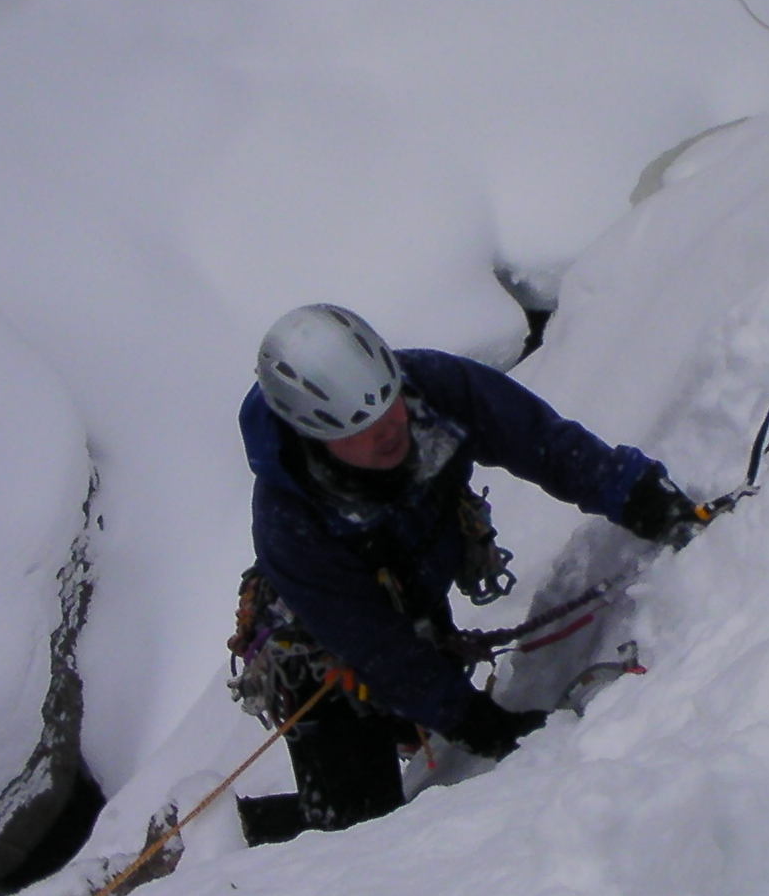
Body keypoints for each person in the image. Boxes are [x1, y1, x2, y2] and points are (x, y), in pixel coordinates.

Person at [230, 303, 703, 844]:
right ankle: (256, 834)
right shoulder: (289, 522)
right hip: (322, 655)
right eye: (358, 429)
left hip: (409, 583)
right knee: (360, 830)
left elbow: (543, 442)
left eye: (389, 408)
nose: (388, 432)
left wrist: (638, 494)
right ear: (310, 433)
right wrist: (482, 725)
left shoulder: (434, 389)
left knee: (411, 726)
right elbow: (378, 648)